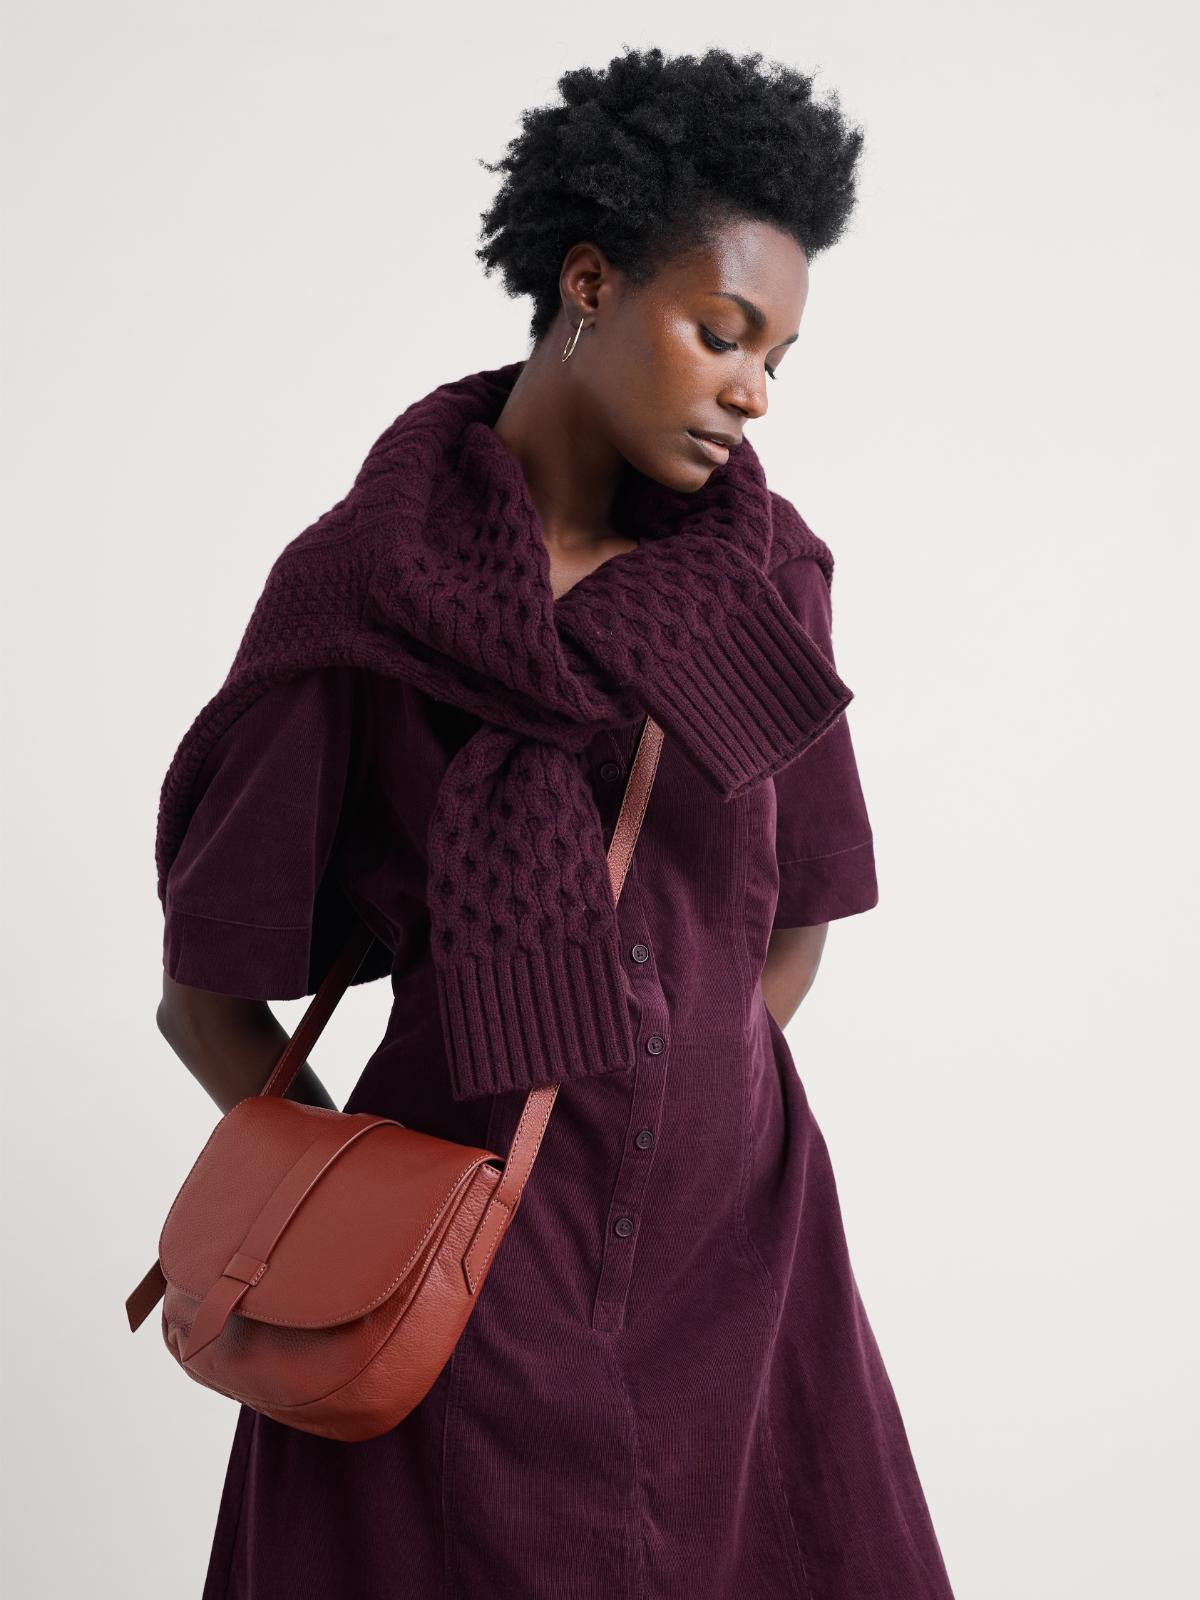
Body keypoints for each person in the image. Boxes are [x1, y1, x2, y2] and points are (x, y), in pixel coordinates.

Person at [153, 44, 956, 1600]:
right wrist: (367, 1209)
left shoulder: (765, 582)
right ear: (588, 282)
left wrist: (675, 1089)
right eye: (721, 332)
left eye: (780, 356)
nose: (754, 389)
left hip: (741, 1269)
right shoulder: (357, 598)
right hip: (450, 1279)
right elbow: (206, 999)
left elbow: (791, 923)